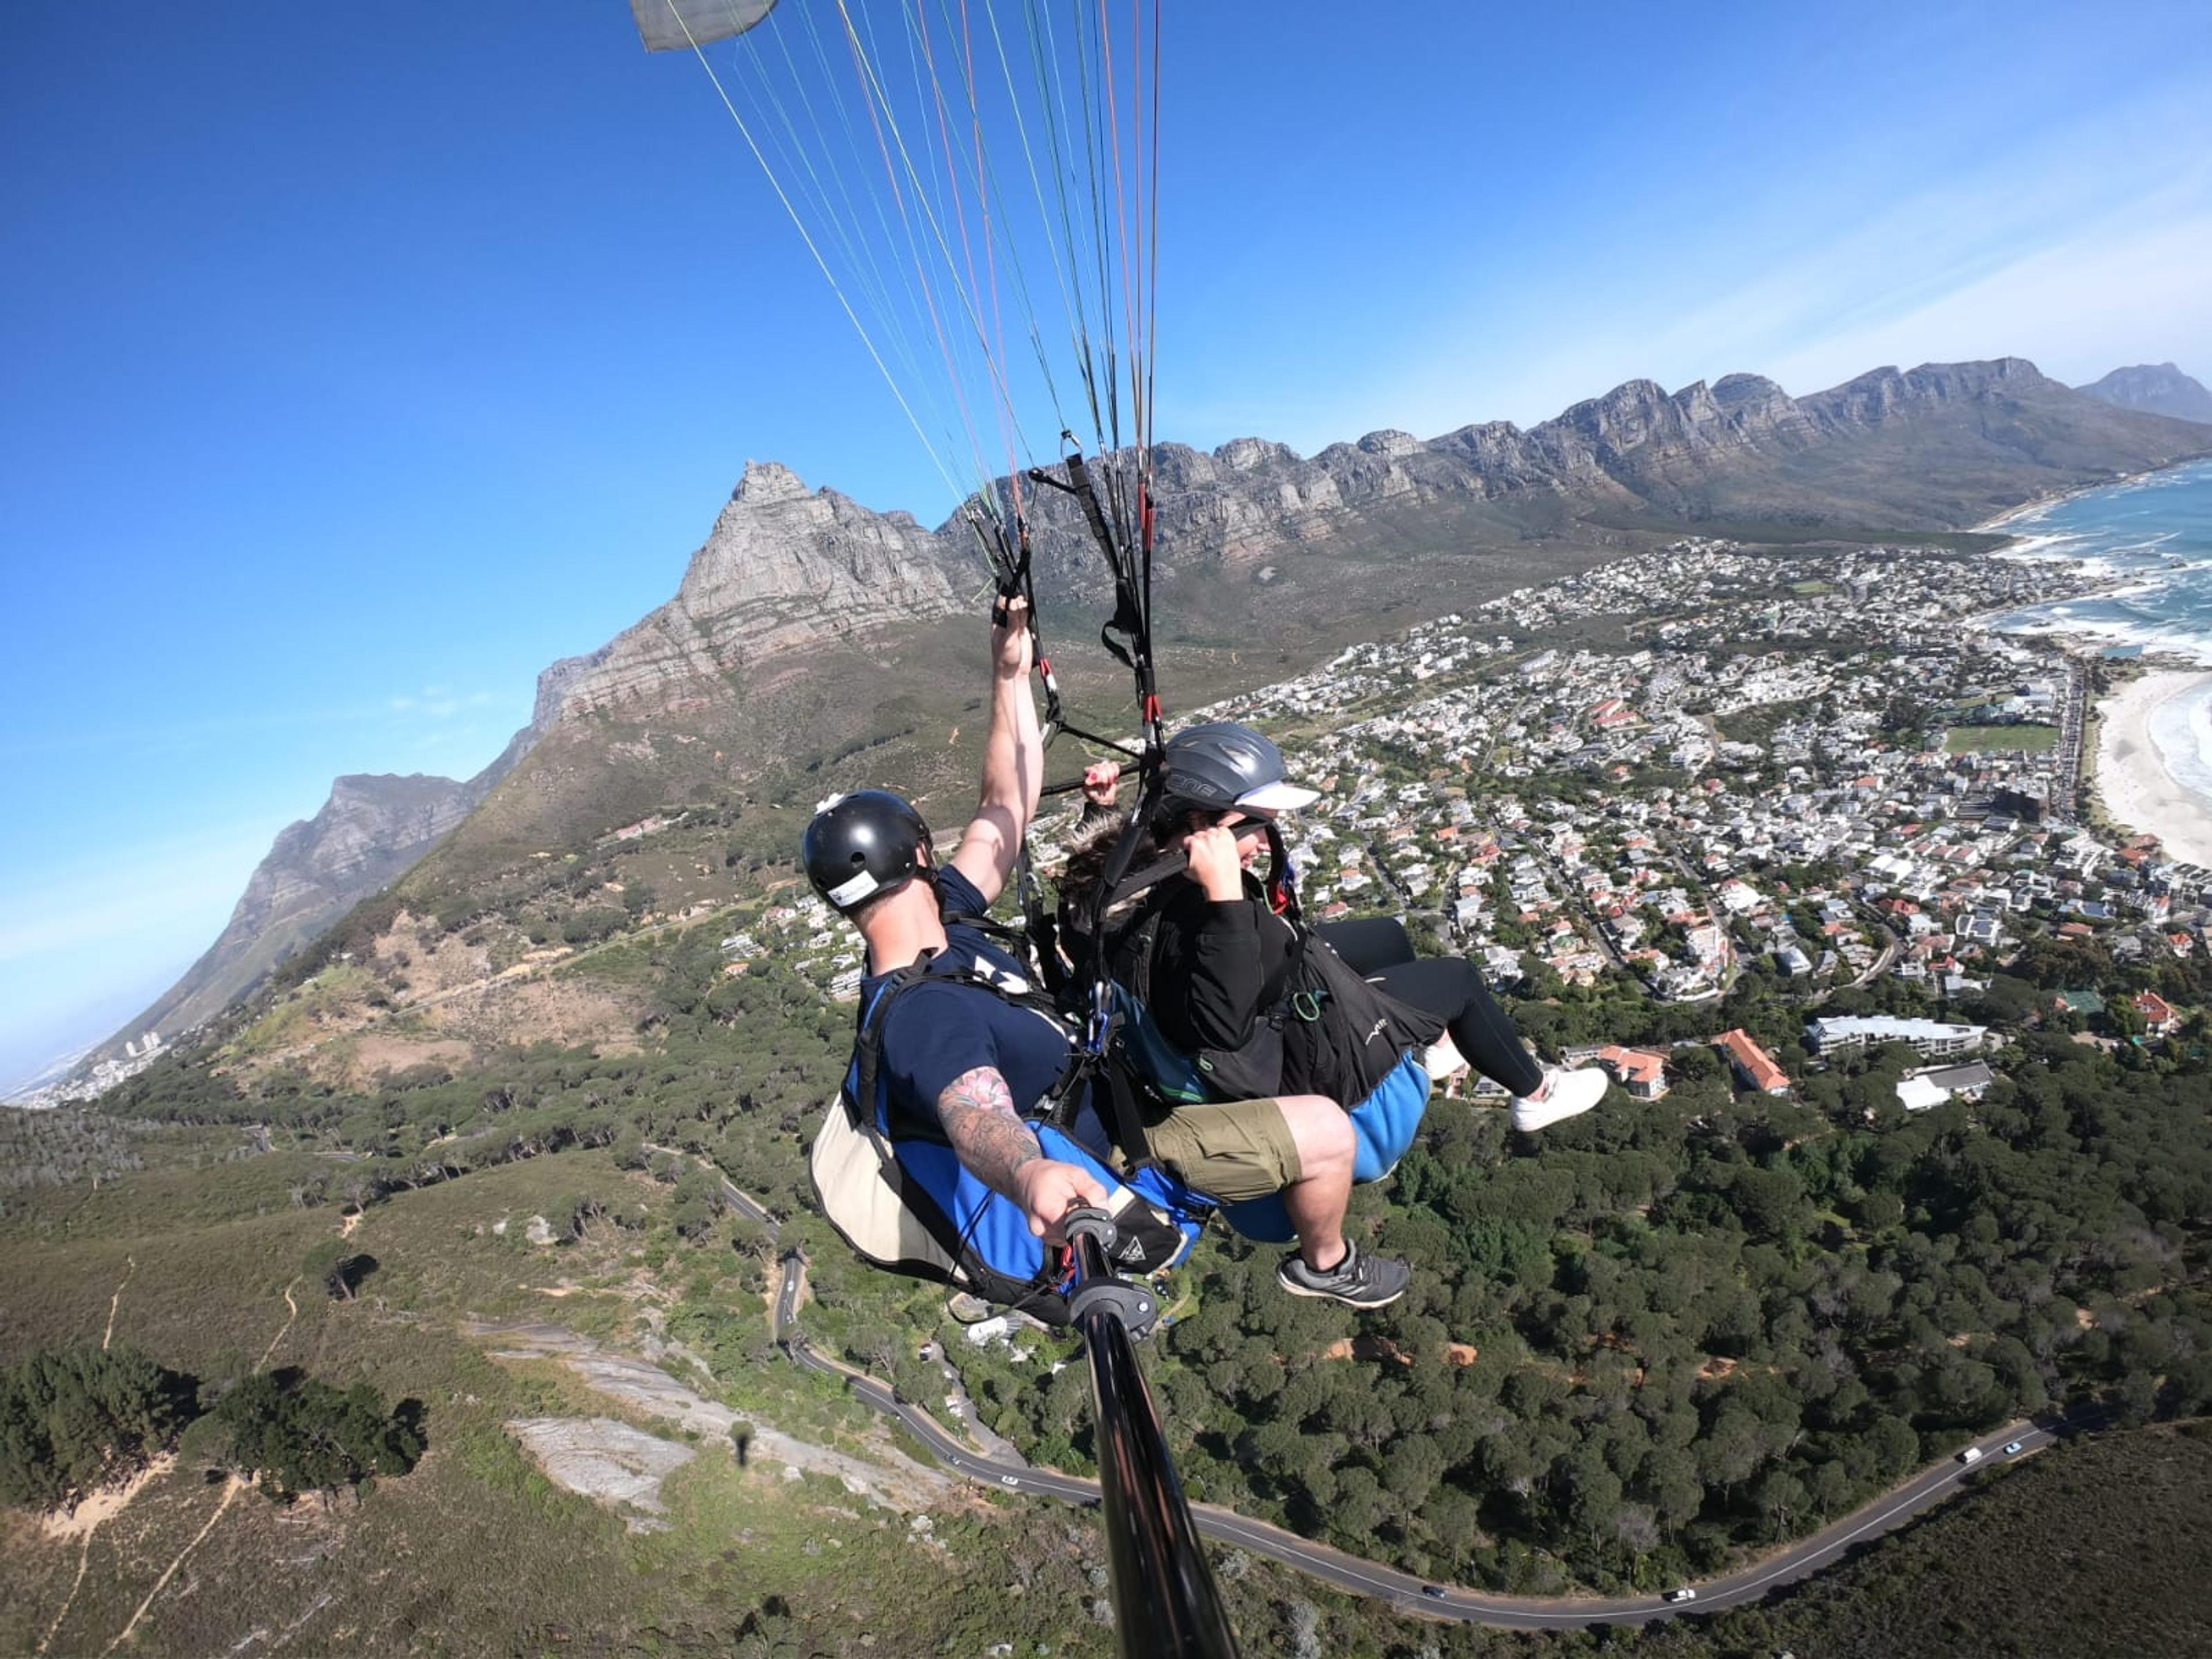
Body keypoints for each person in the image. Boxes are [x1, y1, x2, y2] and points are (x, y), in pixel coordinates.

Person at [801, 603, 1414, 1309]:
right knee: (1328, 1131)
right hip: (1128, 1159)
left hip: (1121, 1085)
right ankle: (1330, 1266)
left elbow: (1006, 805)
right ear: (919, 854)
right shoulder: (924, 1012)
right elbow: (974, 1116)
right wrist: (1029, 1175)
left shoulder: (951, 923)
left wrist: (1009, 675)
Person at [1061, 725, 1607, 1149]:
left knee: (1389, 938)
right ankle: (1536, 1094)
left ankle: (1431, 1044)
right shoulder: (1203, 909)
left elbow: (1088, 907)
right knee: (1458, 981)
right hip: (1283, 1058)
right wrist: (1227, 898)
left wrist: (1103, 813)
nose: (1259, 845)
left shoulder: (1136, 876)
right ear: (1204, 825)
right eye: (1253, 830)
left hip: (1267, 979)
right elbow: (1223, 1028)